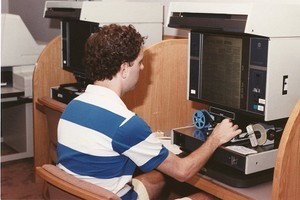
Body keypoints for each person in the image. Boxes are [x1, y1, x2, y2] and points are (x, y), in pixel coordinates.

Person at [56, 24, 242, 200]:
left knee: (157, 177)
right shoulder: (126, 124)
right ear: (124, 69)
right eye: (139, 62)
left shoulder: (73, 107)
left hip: (84, 193)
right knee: (208, 197)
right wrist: (216, 138)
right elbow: (183, 171)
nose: (142, 68)